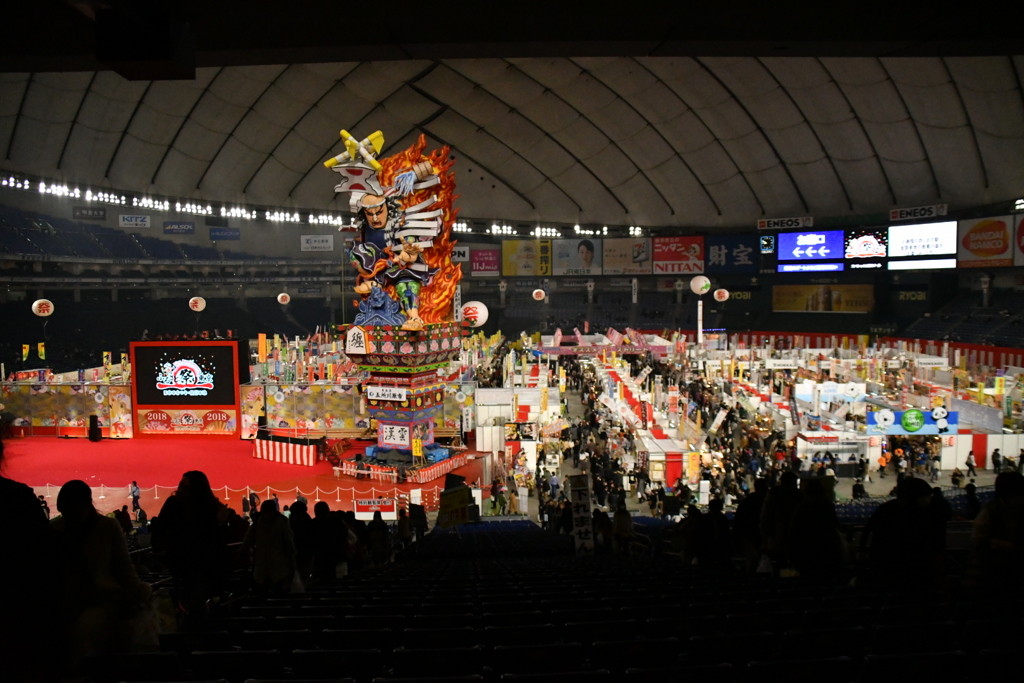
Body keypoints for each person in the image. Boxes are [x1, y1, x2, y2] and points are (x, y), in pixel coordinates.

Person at [51, 480, 152, 664]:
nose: (69, 517)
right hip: (70, 602)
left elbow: (124, 569)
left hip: (104, 601)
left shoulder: (107, 527)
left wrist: (137, 594)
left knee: (85, 631)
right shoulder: (55, 530)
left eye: (72, 511)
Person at [152, 471, 229, 626]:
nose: (180, 490)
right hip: (184, 567)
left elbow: (217, 542)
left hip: (200, 568)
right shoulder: (177, 505)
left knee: (194, 608)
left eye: (185, 487)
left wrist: (221, 523)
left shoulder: (208, 509)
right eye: (180, 486)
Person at [243, 500, 296, 594]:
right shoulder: (282, 523)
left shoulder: (257, 524)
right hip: (278, 570)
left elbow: (246, 543)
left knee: (261, 600)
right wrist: (291, 568)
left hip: (261, 571)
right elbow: (290, 547)